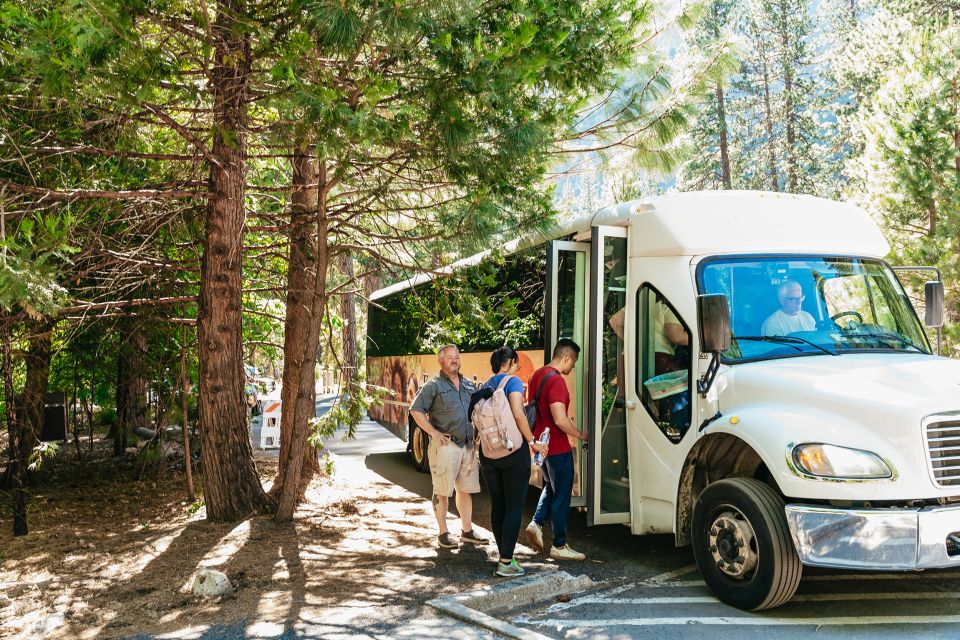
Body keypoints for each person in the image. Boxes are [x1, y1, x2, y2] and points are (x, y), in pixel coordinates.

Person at [478, 346, 549, 578]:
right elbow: (518, 414)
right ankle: (506, 562)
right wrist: (533, 442)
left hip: (488, 453)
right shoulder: (513, 382)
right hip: (512, 452)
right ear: (513, 363)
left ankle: (504, 555)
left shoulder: (486, 384)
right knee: (515, 506)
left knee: (498, 505)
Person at [410, 344, 489, 549]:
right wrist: (433, 433)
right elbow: (416, 410)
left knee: (465, 490)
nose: (455, 360)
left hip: (467, 447)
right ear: (441, 361)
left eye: (457, 357)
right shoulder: (433, 386)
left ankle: (467, 531)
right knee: (442, 490)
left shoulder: (468, 385)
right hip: (446, 446)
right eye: (450, 358)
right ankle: (443, 533)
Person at [524, 338, 589, 561]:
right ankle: (559, 545)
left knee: (550, 487)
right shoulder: (557, 381)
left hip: (542, 447)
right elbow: (560, 420)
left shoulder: (537, 376)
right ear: (567, 357)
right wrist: (580, 434)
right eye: (574, 361)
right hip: (558, 447)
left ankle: (536, 523)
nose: (573, 366)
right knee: (562, 494)